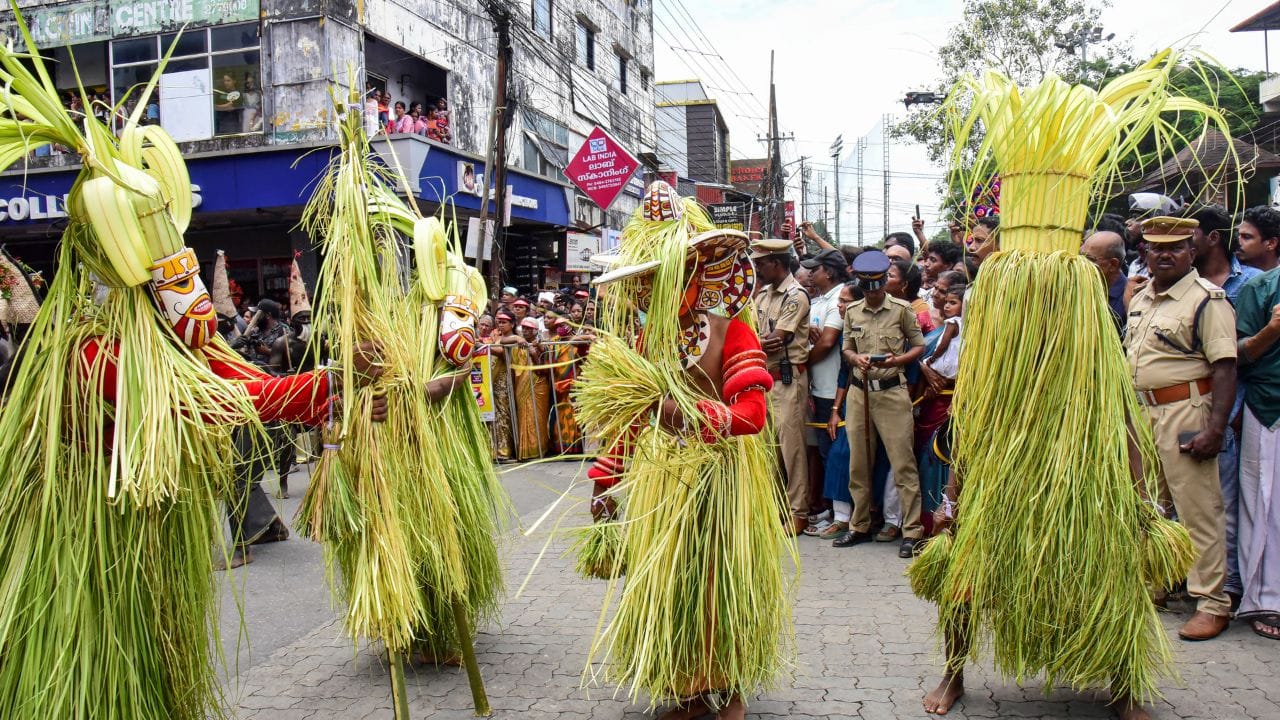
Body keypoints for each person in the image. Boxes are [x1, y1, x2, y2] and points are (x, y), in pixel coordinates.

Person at [582, 182, 790, 720]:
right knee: (674, 587)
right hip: (662, 482)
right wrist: (607, 481)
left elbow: (752, 416)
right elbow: (632, 418)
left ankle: (732, 689)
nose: (658, 288)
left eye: (669, 273)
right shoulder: (645, 342)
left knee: (721, 582)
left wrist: (688, 416)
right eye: (649, 279)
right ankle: (691, 689)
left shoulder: (731, 330)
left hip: (719, 479)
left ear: (702, 268)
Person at [1125, 216, 1237, 641]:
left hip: (1187, 411)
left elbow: (1226, 367)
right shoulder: (1142, 299)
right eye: (1156, 247)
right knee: (1149, 506)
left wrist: (1213, 428)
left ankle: (1212, 603)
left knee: (1198, 511)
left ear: (1192, 253)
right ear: (1146, 254)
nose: (1165, 254)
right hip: (1143, 413)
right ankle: (1154, 584)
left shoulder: (1208, 300)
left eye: (1175, 247)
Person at [835, 250, 926, 557]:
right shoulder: (853, 311)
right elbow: (846, 347)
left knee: (903, 464)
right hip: (860, 393)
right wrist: (854, 357)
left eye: (877, 286)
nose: (873, 293)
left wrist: (897, 360)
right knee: (858, 464)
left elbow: (919, 345)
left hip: (891, 391)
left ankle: (911, 531)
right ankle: (859, 525)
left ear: (885, 282)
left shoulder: (901, 310)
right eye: (867, 287)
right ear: (861, 284)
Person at [1231, 264, 1280, 640]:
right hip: (1268, 407)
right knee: (1265, 505)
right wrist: (1273, 330)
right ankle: (1266, 600)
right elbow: (1238, 355)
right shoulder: (1261, 288)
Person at [751, 237, 812, 535]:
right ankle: (775, 509)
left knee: (792, 450)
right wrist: (757, 342)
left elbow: (778, 338)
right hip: (765, 380)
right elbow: (759, 337)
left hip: (789, 379)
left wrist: (753, 343)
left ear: (777, 263)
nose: (757, 268)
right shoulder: (763, 295)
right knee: (768, 450)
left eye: (761, 263)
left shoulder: (796, 295)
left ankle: (799, 512)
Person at [799, 249, 848, 535]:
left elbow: (827, 341)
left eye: (814, 269)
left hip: (832, 388)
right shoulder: (820, 300)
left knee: (834, 452)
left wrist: (801, 362)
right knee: (821, 450)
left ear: (828, 272)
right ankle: (828, 508)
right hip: (818, 385)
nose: (810, 273)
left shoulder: (839, 299)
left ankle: (837, 512)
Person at [503, 316, 550, 459]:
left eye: (529, 328)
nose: (526, 330)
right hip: (521, 383)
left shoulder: (542, 345)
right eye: (524, 328)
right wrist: (518, 339)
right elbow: (503, 341)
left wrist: (535, 354)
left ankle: (537, 449)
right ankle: (525, 450)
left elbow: (544, 370)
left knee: (537, 416)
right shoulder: (517, 343)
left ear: (536, 330)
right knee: (524, 414)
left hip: (538, 384)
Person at [1081, 230, 1130, 330]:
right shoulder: (1079, 285)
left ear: (1113, 264)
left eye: (1089, 259)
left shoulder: (1129, 298)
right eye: (1080, 256)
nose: (1080, 263)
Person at [485, 312, 517, 461]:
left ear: (512, 324)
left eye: (505, 322)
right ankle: (493, 449)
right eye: (499, 321)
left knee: (503, 414)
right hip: (491, 381)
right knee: (493, 416)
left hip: (504, 381)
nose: (501, 324)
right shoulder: (495, 337)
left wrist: (486, 346)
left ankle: (504, 450)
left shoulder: (512, 338)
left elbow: (505, 354)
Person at [886, 259, 933, 333]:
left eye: (890, 276)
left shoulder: (920, 310)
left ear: (904, 285)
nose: (884, 278)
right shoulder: (888, 301)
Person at [1238, 205, 1280, 273]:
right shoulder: (1227, 274)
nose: (1238, 242)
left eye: (1246, 237)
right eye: (1238, 235)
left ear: (1271, 243)